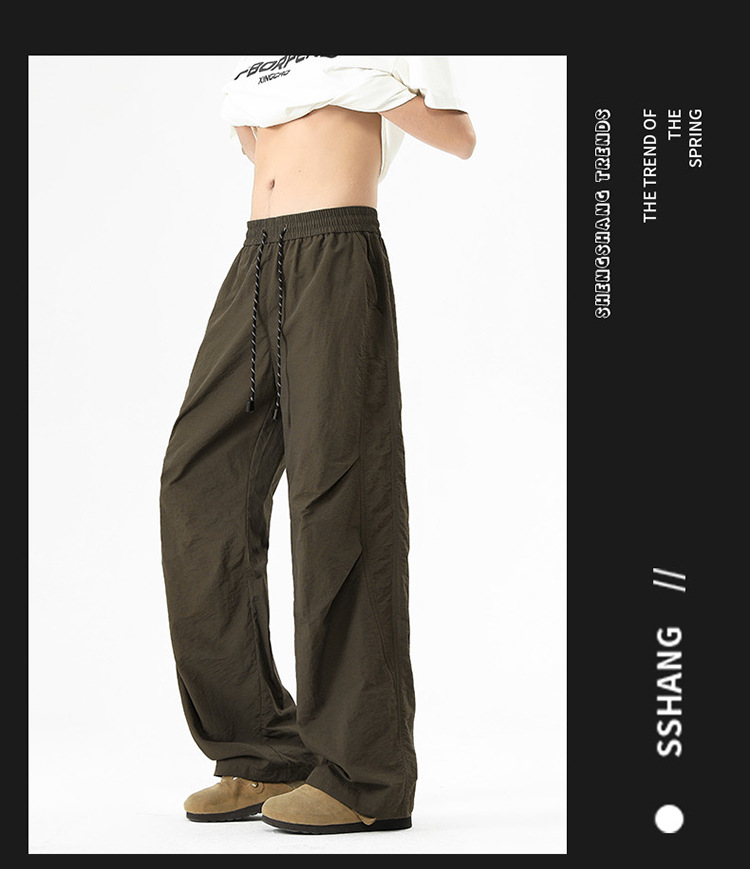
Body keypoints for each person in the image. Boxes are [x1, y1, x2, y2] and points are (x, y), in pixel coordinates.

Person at [160, 55, 476, 835]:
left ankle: (365, 777)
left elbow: (460, 137)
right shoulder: (277, 54)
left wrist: (371, 89)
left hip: (336, 251)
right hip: (256, 259)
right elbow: (253, 140)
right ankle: (264, 749)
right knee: (199, 487)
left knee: (340, 499)